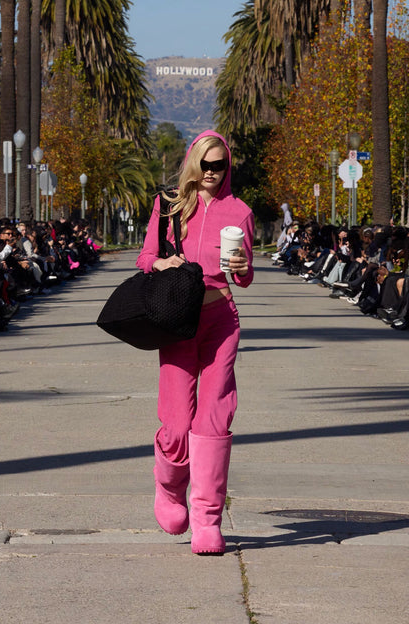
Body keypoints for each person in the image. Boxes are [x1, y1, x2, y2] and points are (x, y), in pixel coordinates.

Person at [136, 130, 254, 555]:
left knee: (215, 418)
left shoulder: (239, 211)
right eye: (204, 164)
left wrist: (241, 267)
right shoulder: (169, 205)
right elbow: (145, 257)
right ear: (192, 162)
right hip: (178, 318)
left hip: (221, 316)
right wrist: (163, 261)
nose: (210, 172)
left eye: (218, 165)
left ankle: (207, 519)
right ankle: (168, 489)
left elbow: (244, 275)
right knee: (176, 421)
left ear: (227, 167)